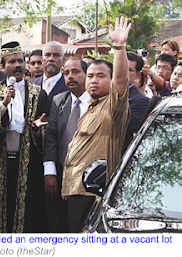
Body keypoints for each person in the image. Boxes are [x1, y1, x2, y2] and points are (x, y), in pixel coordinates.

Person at [61, 17, 131, 233]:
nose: (93, 80)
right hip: (74, 191)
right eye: (90, 76)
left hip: (93, 194)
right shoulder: (90, 107)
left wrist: (119, 48)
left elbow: (120, 81)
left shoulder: (112, 107)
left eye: (101, 76)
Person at [0, 41, 48, 233]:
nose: (17, 65)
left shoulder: (38, 93)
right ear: (2, 66)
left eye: (20, 61)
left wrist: (37, 130)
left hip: (27, 163)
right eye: (12, 62)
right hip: (0, 161)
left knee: (26, 212)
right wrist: (3, 104)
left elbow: (46, 128)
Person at [44, 58, 90, 232]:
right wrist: (49, 172)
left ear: (86, 75)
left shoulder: (98, 102)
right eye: (66, 73)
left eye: (76, 72)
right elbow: (51, 138)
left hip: (86, 178)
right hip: (61, 174)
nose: (70, 77)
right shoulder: (58, 101)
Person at [121, 52, 150, 155]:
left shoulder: (140, 101)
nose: (122, 72)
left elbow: (126, 126)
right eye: (121, 67)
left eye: (129, 70)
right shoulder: (100, 93)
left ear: (137, 74)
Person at [30, 41, 68, 113]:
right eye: (47, 55)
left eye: (56, 55)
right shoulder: (31, 85)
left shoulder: (68, 86)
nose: (51, 59)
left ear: (63, 60)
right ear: (42, 60)